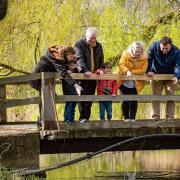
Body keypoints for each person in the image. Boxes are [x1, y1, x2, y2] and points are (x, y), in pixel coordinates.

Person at [29, 45, 82, 127]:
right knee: (48, 98)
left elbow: (69, 63)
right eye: (71, 57)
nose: (71, 59)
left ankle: (42, 121)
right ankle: (42, 122)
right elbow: (63, 72)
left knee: (48, 98)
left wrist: (74, 65)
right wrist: (75, 85)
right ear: (66, 54)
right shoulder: (57, 58)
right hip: (38, 78)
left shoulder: (61, 56)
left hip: (46, 79)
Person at [74, 27, 104, 123]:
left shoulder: (99, 46)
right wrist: (85, 70)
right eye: (91, 38)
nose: (93, 40)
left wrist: (100, 68)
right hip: (82, 75)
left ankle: (87, 118)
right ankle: (82, 117)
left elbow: (101, 58)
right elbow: (79, 59)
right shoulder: (79, 44)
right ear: (86, 36)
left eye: (95, 38)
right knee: (82, 96)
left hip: (93, 75)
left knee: (90, 96)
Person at [147, 36, 180, 121]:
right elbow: (149, 59)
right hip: (157, 75)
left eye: (167, 48)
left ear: (171, 46)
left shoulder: (177, 51)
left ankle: (170, 117)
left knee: (171, 95)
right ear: (159, 45)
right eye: (163, 48)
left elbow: (178, 66)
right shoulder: (153, 47)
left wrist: (176, 76)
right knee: (155, 95)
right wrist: (149, 70)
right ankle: (155, 117)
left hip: (171, 76)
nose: (164, 50)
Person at [118, 41, 148, 122]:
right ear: (132, 50)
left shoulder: (144, 58)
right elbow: (121, 64)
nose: (137, 53)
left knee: (134, 100)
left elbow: (143, 70)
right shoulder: (125, 54)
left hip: (136, 83)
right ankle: (126, 118)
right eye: (136, 51)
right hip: (123, 81)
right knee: (125, 100)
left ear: (142, 51)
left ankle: (132, 118)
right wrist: (127, 71)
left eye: (139, 51)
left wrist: (131, 71)